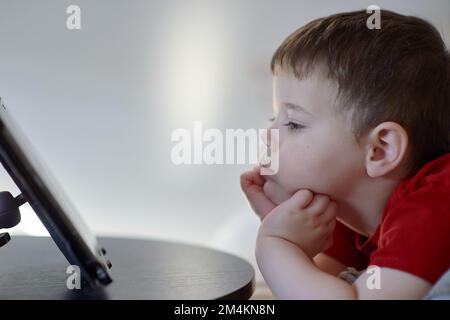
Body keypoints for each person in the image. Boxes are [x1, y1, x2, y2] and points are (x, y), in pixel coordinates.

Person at [240, 9, 450, 299]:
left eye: (293, 123)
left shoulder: (437, 206)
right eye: (272, 120)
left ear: (380, 150)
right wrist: (286, 228)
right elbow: (317, 287)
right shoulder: (349, 214)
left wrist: (276, 244)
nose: (268, 135)